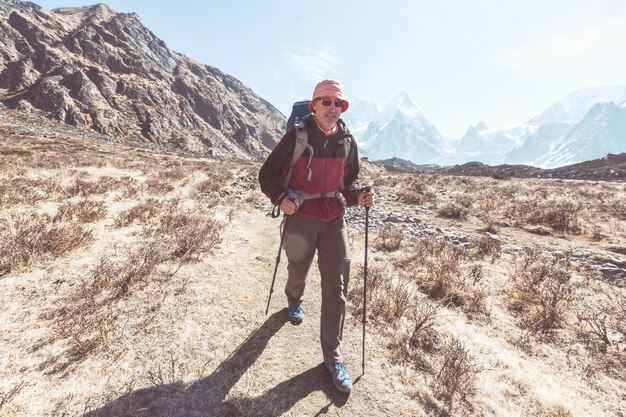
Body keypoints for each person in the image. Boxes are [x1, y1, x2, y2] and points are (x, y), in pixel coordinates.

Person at [258, 79, 374, 393]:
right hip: (302, 216)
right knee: (298, 268)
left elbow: (348, 184)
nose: (333, 109)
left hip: (334, 218)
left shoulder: (347, 140)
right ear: (314, 105)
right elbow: (266, 175)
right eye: (327, 102)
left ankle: (333, 357)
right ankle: (294, 299)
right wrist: (280, 197)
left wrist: (357, 196)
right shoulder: (297, 135)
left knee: (336, 288)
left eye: (339, 104)